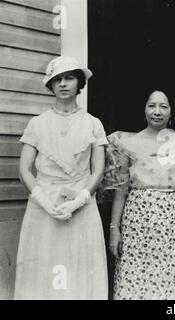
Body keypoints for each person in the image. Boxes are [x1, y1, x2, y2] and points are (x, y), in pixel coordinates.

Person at [15, 56, 108, 299]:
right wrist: (44, 202)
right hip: (44, 206)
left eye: (69, 78)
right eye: (57, 79)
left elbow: (98, 170)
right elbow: (24, 170)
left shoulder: (93, 124)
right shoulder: (37, 124)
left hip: (81, 205)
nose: (63, 84)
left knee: (79, 266)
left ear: (79, 83)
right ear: (50, 85)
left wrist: (79, 200)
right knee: (44, 267)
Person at [104, 90, 175, 300]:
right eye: (152, 105)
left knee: (169, 282)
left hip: (171, 223)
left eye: (163, 106)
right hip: (136, 224)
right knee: (135, 280)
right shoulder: (127, 142)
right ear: (144, 111)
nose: (157, 111)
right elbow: (121, 189)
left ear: (171, 112)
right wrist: (114, 229)